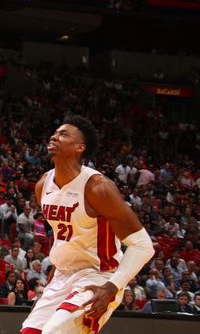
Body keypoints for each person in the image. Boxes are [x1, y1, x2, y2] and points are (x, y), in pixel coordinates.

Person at [20, 116, 154, 334]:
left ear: (79, 148)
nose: (55, 136)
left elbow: (142, 245)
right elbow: (66, 240)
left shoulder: (98, 187)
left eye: (64, 134)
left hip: (99, 275)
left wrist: (111, 287)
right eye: (55, 132)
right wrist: (49, 289)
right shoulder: (43, 184)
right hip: (63, 276)